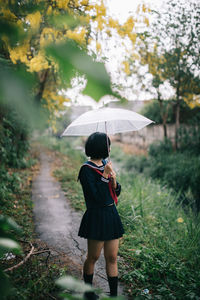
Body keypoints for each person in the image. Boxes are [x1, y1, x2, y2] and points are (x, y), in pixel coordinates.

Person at [77, 132, 124, 298]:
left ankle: (113, 296)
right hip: (97, 215)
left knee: (112, 257)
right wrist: (105, 176)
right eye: (108, 144)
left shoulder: (106, 164)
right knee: (93, 257)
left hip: (111, 214)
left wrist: (114, 180)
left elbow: (116, 191)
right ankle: (88, 293)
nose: (110, 147)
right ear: (101, 147)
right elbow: (95, 196)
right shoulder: (86, 170)